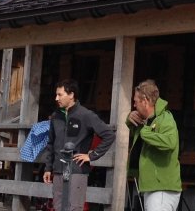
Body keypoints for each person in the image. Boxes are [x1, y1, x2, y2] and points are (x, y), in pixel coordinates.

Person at [38, 79, 115, 211]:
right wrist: (48, 168)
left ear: (71, 95)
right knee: (58, 208)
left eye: (60, 95)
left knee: (74, 208)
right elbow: (51, 143)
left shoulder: (86, 115)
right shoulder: (56, 116)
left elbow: (109, 135)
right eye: (56, 95)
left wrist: (92, 155)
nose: (56, 98)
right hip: (58, 171)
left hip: (77, 171)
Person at [125, 79, 181, 211]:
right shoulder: (149, 120)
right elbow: (136, 133)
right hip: (154, 187)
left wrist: (146, 132)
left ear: (145, 101)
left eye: (135, 101)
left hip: (161, 189)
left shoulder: (165, 118)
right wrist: (129, 119)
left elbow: (170, 142)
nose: (134, 105)